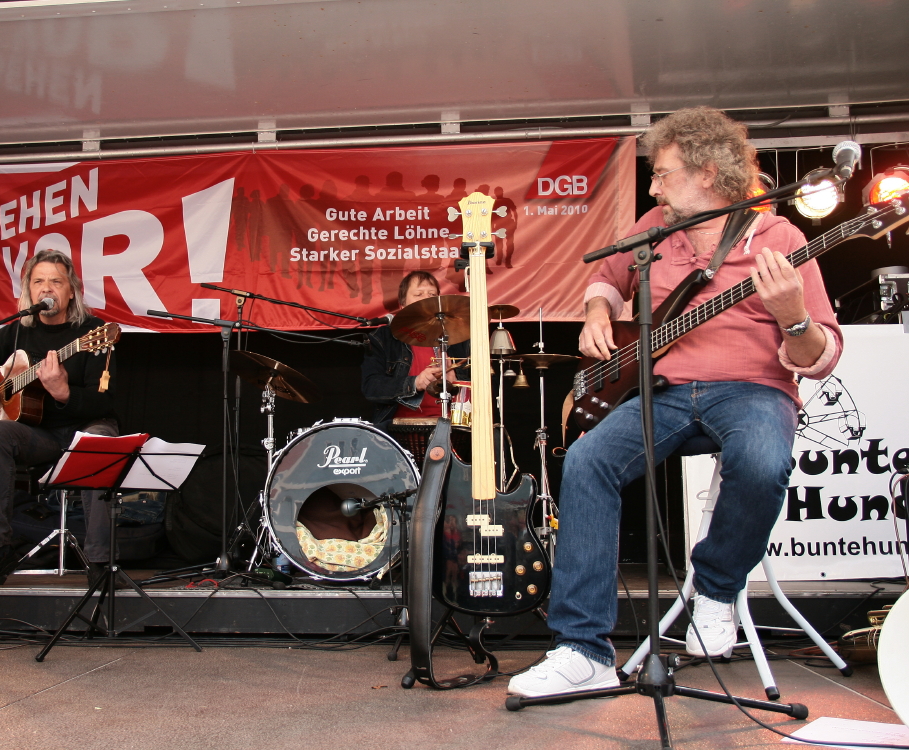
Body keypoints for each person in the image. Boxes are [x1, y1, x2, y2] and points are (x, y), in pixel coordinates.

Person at [508, 107, 843, 697]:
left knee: (763, 459)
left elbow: (823, 354)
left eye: (663, 174)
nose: (654, 186)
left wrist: (792, 319)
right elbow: (605, 279)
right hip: (660, 391)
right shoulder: (652, 228)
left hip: (753, 389)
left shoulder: (781, 237)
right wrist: (594, 312)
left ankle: (715, 586)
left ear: (709, 174)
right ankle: (583, 649)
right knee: (587, 461)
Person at [0, 250, 120, 594]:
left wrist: (62, 392)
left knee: (99, 441)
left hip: (85, 429)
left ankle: (101, 562)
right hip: (39, 435)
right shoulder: (18, 333)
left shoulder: (94, 333)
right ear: (28, 290)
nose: (47, 288)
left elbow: (103, 400)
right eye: (39, 281)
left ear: (71, 291)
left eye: (56, 282)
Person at [361, 270, 469, 433]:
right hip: (400, 430)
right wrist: (415, 383)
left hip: (454, 427)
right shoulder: (383, 338)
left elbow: (488, 383)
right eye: (418, 294)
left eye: (432, 294)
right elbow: (371, 387)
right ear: (402, 306)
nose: (426, 299)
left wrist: (458, 380)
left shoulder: (459, 336)